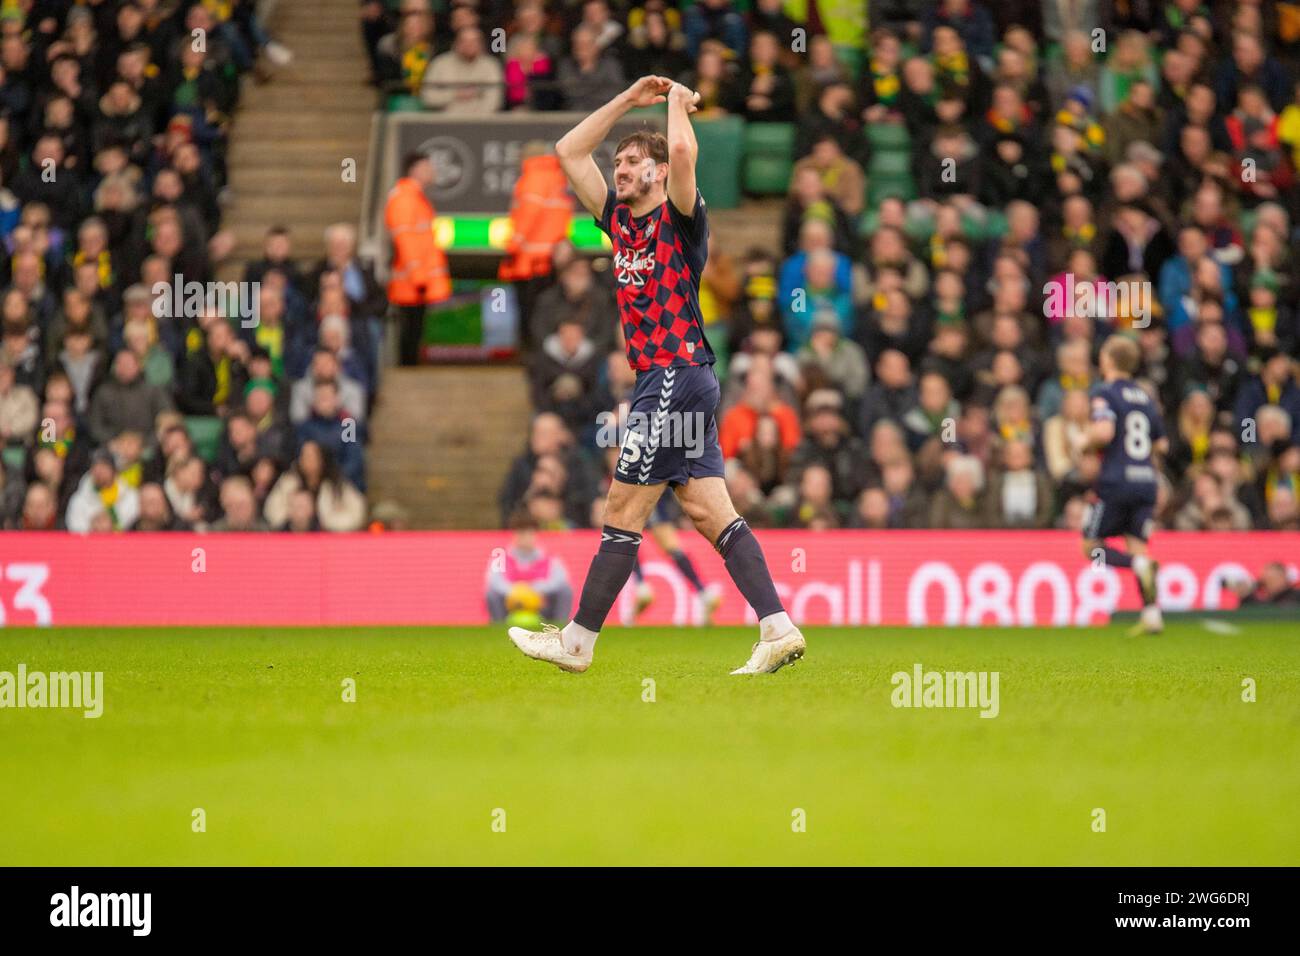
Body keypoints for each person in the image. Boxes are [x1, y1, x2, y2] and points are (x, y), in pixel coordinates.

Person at [507, 75, 803, 676]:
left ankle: (577, 642)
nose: (620, 168)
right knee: (708, 511)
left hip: (673, 374)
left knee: (622, 504)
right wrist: (625, 102)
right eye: (618, 160)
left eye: (634, 160)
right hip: (679, 380)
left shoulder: (682, 218)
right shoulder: (616, 220)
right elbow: (567, 151)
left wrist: (673, 103)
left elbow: (686, 152)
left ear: (660, 173)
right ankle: (777, 627)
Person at [1081, 336, 1168, 636]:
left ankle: (1138, 566)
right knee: (1139, 544)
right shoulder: (1145, 397)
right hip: (1146, 482)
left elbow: (1104, 432)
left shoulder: (1104, 393)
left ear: (1107, 360)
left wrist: (1084, 440)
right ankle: (1152, 614)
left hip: (1115, 481)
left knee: (1091, 547)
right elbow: (1162, 444)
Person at [384, 151, 450, 365]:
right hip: (411, 282)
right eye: (426, 166)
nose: (431, 171)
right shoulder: (404, 198)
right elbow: (406, 241)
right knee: (410, 330)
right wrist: (419, 276)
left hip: (415, 281)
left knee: (415, 329)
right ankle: (407, 368)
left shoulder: (415, 198)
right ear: (414, 169)